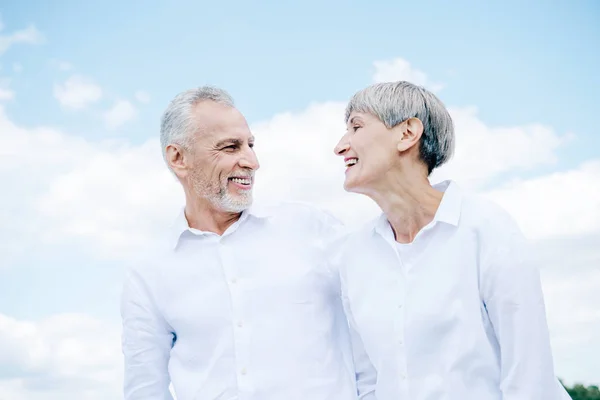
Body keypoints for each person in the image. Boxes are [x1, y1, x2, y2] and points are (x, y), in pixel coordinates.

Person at [332, 81, 571, 399]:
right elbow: (370, 383)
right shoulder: (355, 255)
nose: (340, 146)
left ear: (407, 133)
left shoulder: (486, 229)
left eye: (356, 127)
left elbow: (529, 378)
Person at [120, 86, 358, 400]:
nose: (252, 161)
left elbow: (370, 342)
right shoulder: (149, 272)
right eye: (231, 148)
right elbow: (145, 390)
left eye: (250, 145)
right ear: (178, 158)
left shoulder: (313, 229)